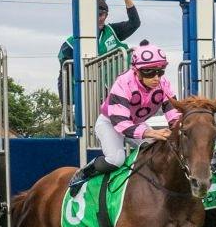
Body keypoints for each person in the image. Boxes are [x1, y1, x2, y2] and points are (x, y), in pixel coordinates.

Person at [71, 41, 179, 189]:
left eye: (160, 72)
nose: (156, 78)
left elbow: (173, 111)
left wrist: (179, 129)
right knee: (116, 160)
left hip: (136, 124)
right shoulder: (123, 82)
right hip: (110, 123)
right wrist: (151, 132)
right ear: (137, 71)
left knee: (155, 152)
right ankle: (84, 172)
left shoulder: (163, 83)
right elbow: (120, 123)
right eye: (150, 72)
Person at [57, 0, 140, 110]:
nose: (100, 19)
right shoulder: (71, 43)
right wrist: (67, 104)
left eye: (102, 15)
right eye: (96, 15)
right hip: (87, 98)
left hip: (115, 93)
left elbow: (135, 23)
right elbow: (64, 74)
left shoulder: (112, 31)